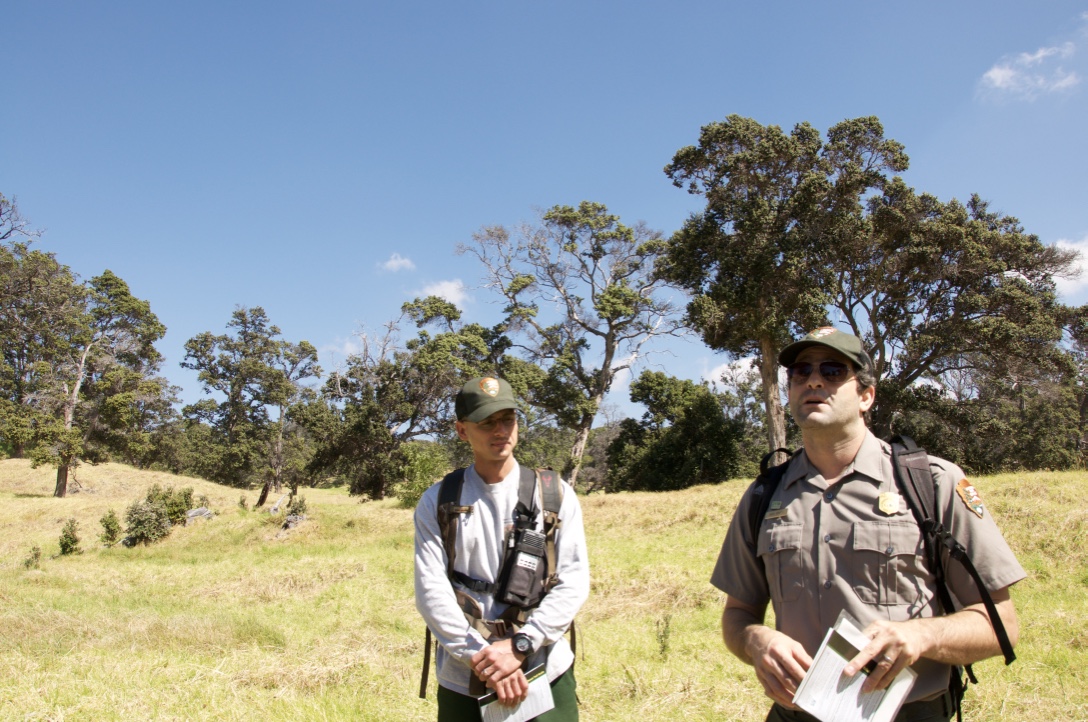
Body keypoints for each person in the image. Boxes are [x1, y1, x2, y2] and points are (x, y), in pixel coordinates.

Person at [710, 328, 1025, 722]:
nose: (813, 379)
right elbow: (737, 615)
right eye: (800, 371)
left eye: (833, 370)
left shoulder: (932, 482)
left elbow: (1000, 627)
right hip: (797, 714)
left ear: (866, 396)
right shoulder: (764, 496)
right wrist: (755, 640)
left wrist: (921, 635)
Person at [415, 376, 590, 721]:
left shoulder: (554, 494)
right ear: (462, 430)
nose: (501, 431)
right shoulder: (438, 500)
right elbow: (430, 591)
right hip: (465, 677)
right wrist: (484, 659)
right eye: (487, 422)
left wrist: (520, 646)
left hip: (545, 668)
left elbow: (573, 580)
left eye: (508, 419)